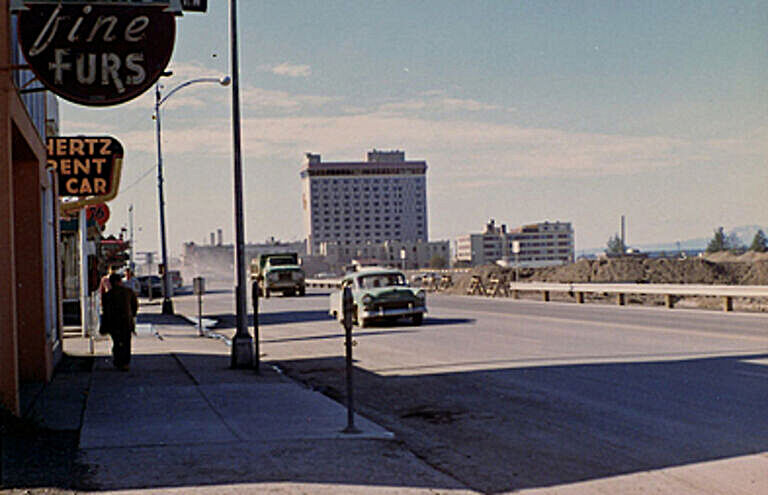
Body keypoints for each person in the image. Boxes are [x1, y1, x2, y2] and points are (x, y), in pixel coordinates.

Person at [102, 272, 139, 371]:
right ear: (120, 281)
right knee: (126, 343)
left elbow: (105, 312)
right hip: (126, 322)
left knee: (117, 342)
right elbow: (135, 306)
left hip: (113, 323)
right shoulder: (129, 292)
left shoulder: (107, 295)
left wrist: (104, 326)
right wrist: (132, 315)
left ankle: (118, 361)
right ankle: (125, 363)